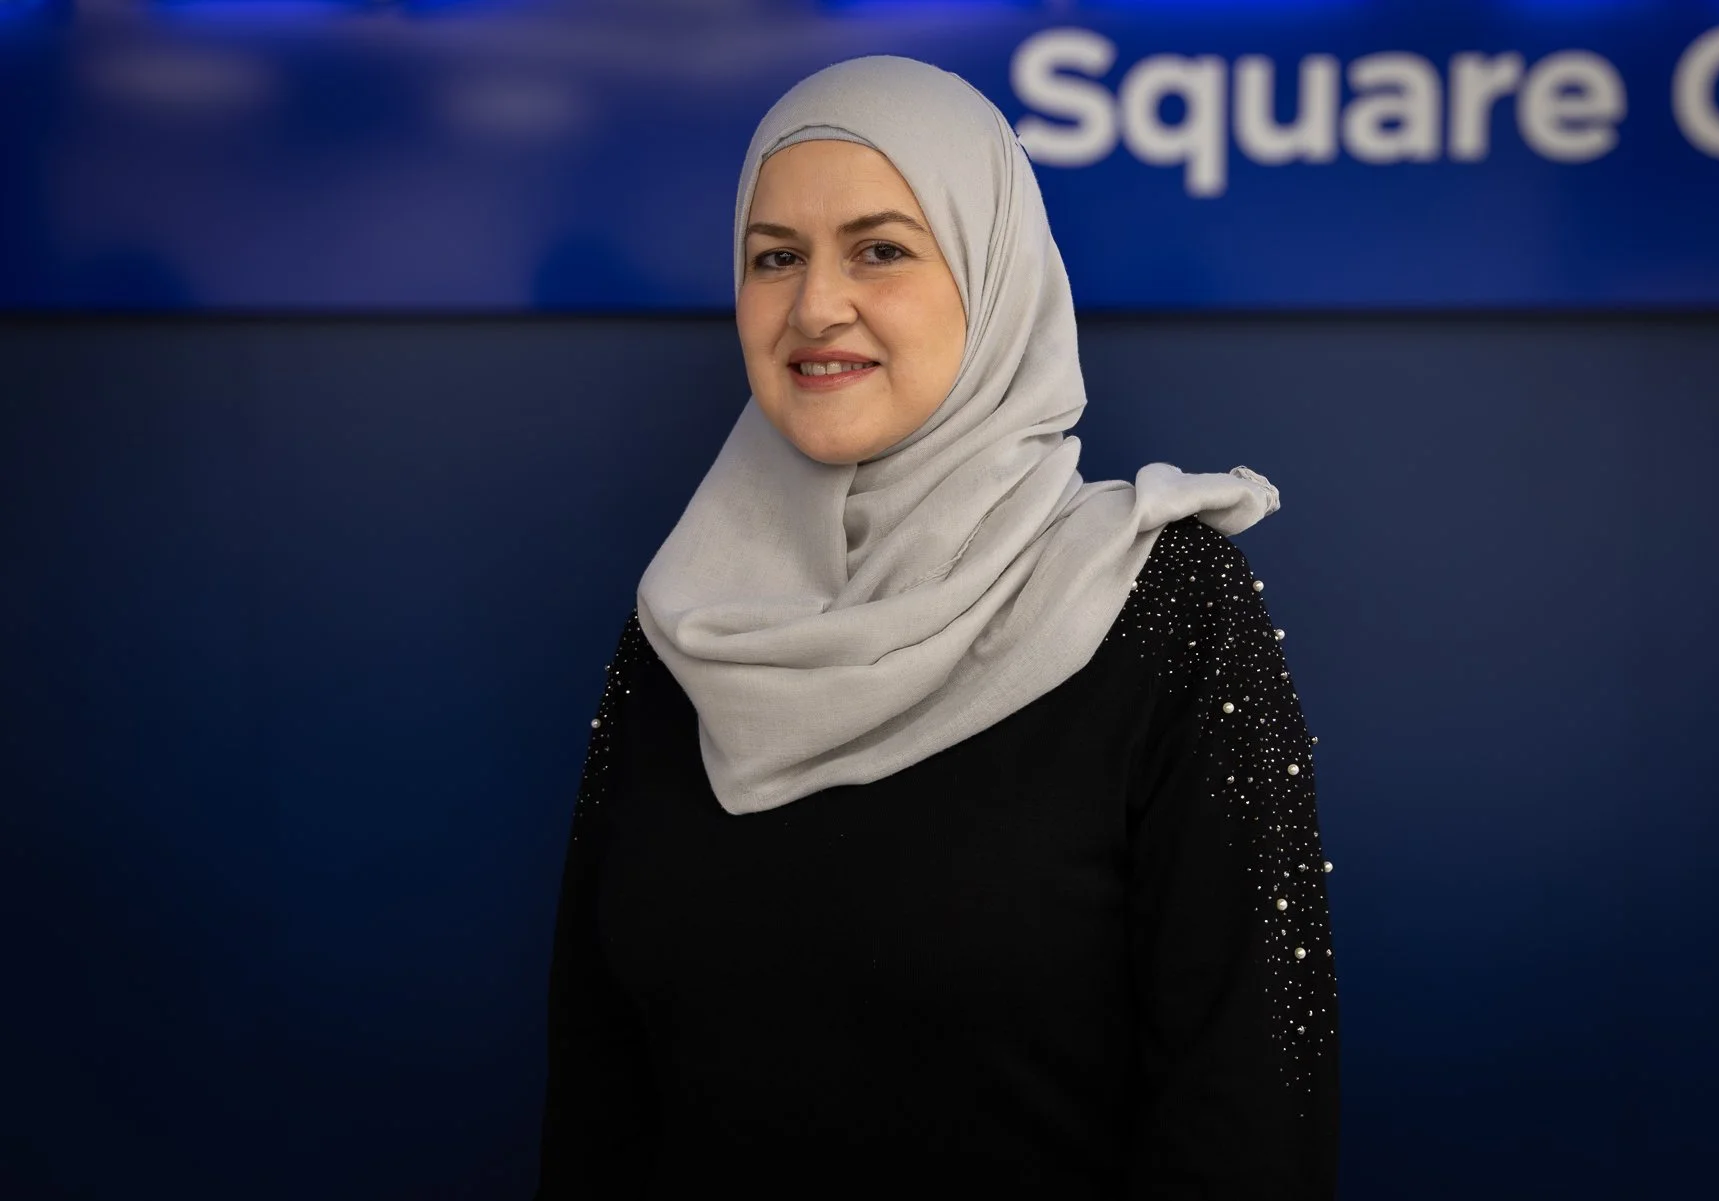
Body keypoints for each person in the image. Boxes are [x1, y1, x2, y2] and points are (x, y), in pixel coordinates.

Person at [534, 55, 1338, 1199]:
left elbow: (1249, 1108)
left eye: (880, 250)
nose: (816, 305)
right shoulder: (687, 627)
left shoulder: (1162, 604)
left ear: (993, 271)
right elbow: (600, 1094)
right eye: (775, 257)